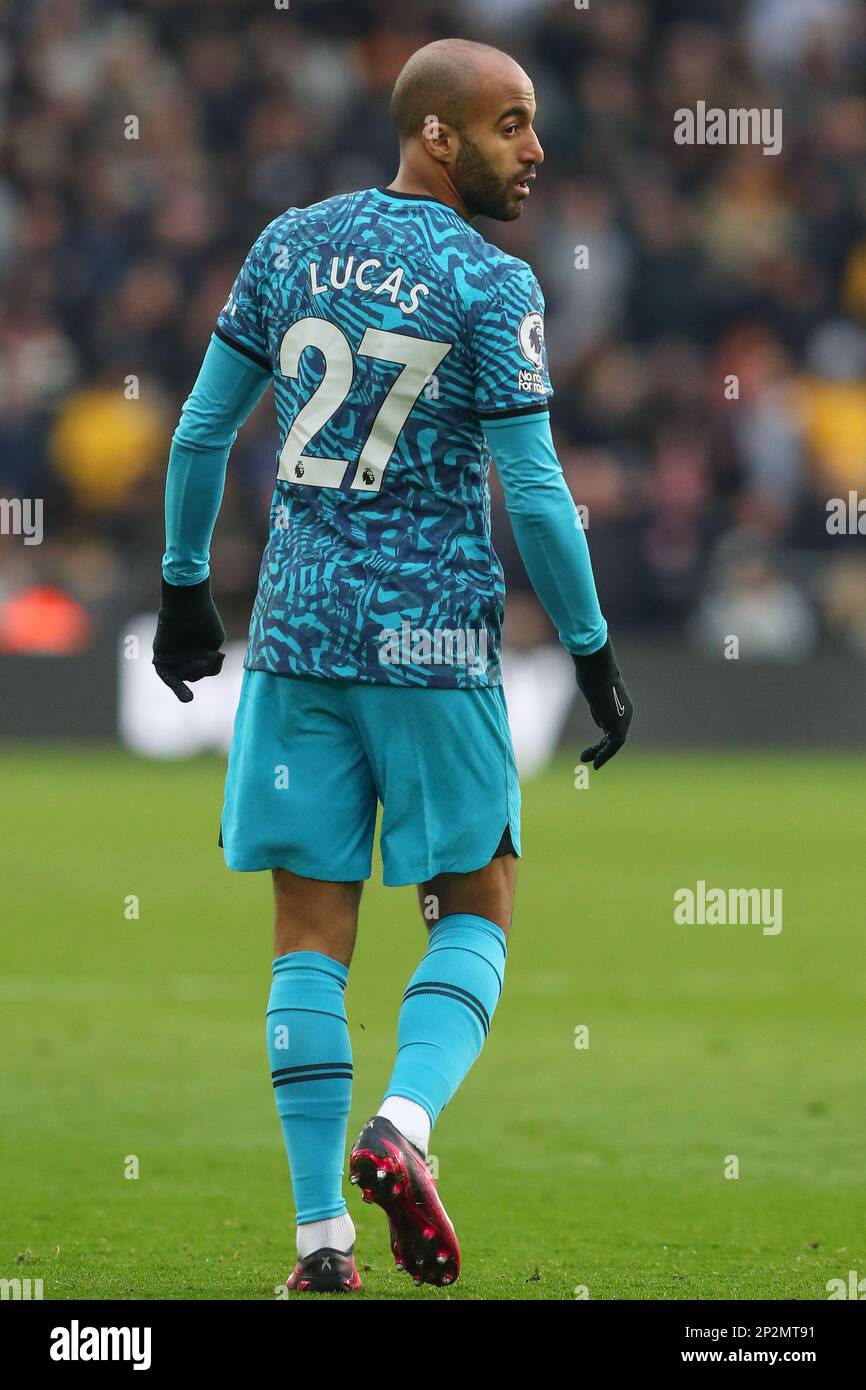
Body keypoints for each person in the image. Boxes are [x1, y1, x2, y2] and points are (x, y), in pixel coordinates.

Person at [152, 37, 633, 1294]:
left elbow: (204, 429)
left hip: (299, 633)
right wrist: (589, 652)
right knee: (474, 906)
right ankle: (403, 1127)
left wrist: (181, 586)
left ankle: (320, 1245)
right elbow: (531, 491)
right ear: (436, 134)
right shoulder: (490, 283)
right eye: (511, 125)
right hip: (429, 641)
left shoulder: (288, 242)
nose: (534, 151)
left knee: (308, 930)